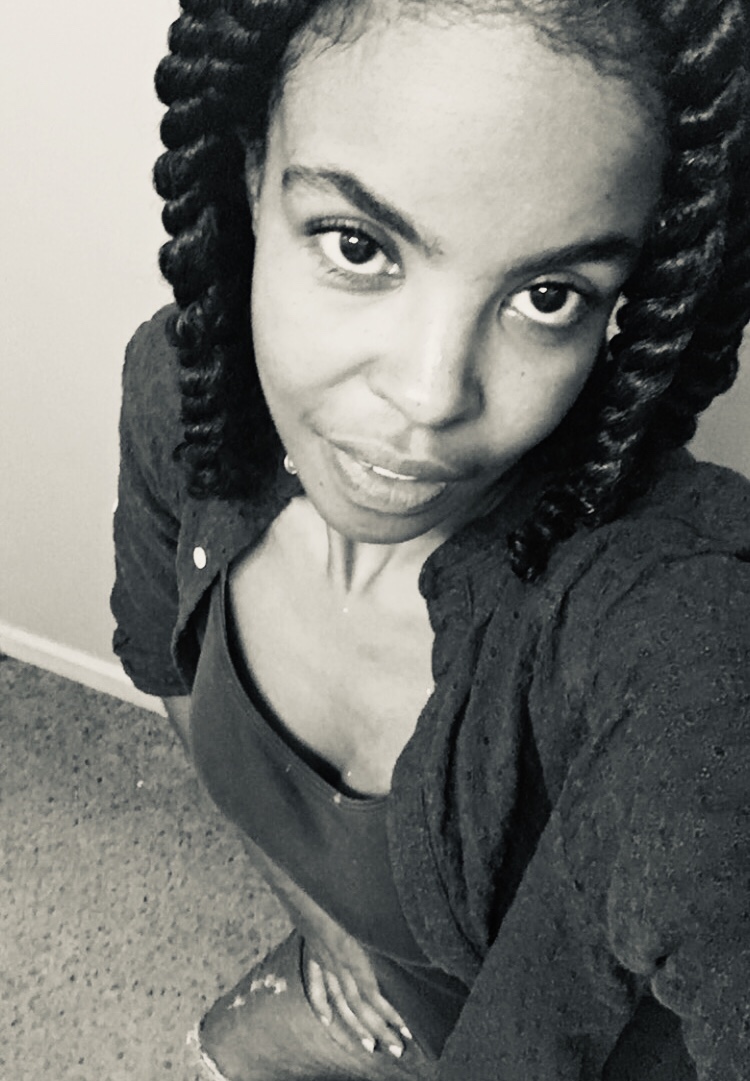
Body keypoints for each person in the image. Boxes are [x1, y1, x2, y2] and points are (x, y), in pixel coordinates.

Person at [111, 0, 750, 1077]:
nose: (432, 395)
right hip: (367, 996)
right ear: (253, 174)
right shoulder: (183, 398)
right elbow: (155, 655)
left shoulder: (663, 616)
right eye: (358, 244)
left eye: (548, 295)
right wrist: (318, 917)